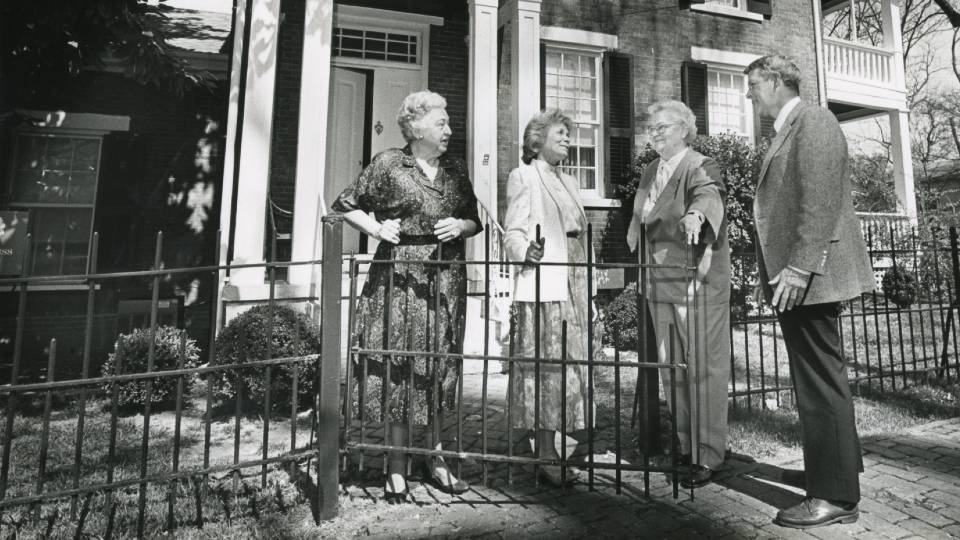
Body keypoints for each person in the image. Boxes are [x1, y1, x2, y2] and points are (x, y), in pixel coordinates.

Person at [332, 90, 482, 501]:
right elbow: (344, 204)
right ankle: (396, 463)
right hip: (399, 276)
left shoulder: (454, 168)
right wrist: (377, 230)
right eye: (441, 123)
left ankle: (435, 459)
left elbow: (475, 219)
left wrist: (462, 227)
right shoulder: (388, 164)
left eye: (448, 123)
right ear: (416, 128)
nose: (449, 130)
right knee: (401, 364)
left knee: (438, 363)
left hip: (446, 277)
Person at [745, 55, 874, 529]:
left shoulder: (813, 119)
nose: (749, 93)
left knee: (820, 381)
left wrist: (798, 268)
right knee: (818, 377)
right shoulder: (789, 127)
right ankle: (835, 470)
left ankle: (835, 495)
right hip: (801, 276)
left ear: (777, 81)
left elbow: (818, 201)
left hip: (810, 277)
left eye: (754, 84)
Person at [625, 100, 731, 489]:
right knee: (673, 370)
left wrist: (696, 215)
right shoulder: (651, 170)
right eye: (650, 128)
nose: (654, 134)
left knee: (703, 367)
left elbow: (708, 195)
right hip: (658, 282)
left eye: (662, 127)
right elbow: (643, 213)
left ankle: (709, 454)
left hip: (694, 283)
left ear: (685, 129)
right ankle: (687, 447)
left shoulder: (700, 164)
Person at [503, 108, 599, 487]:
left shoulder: (570, 181)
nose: (567, 139)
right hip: (547, 283)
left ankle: (561, 439)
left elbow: (580, 231)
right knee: (546, 366)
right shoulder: (524, 176)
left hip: (575, 279)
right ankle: (544, 452)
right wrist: (525, 250)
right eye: (560, 133)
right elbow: (513, 230)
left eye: (568, 134)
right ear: (537, 139)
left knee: (573, 364)